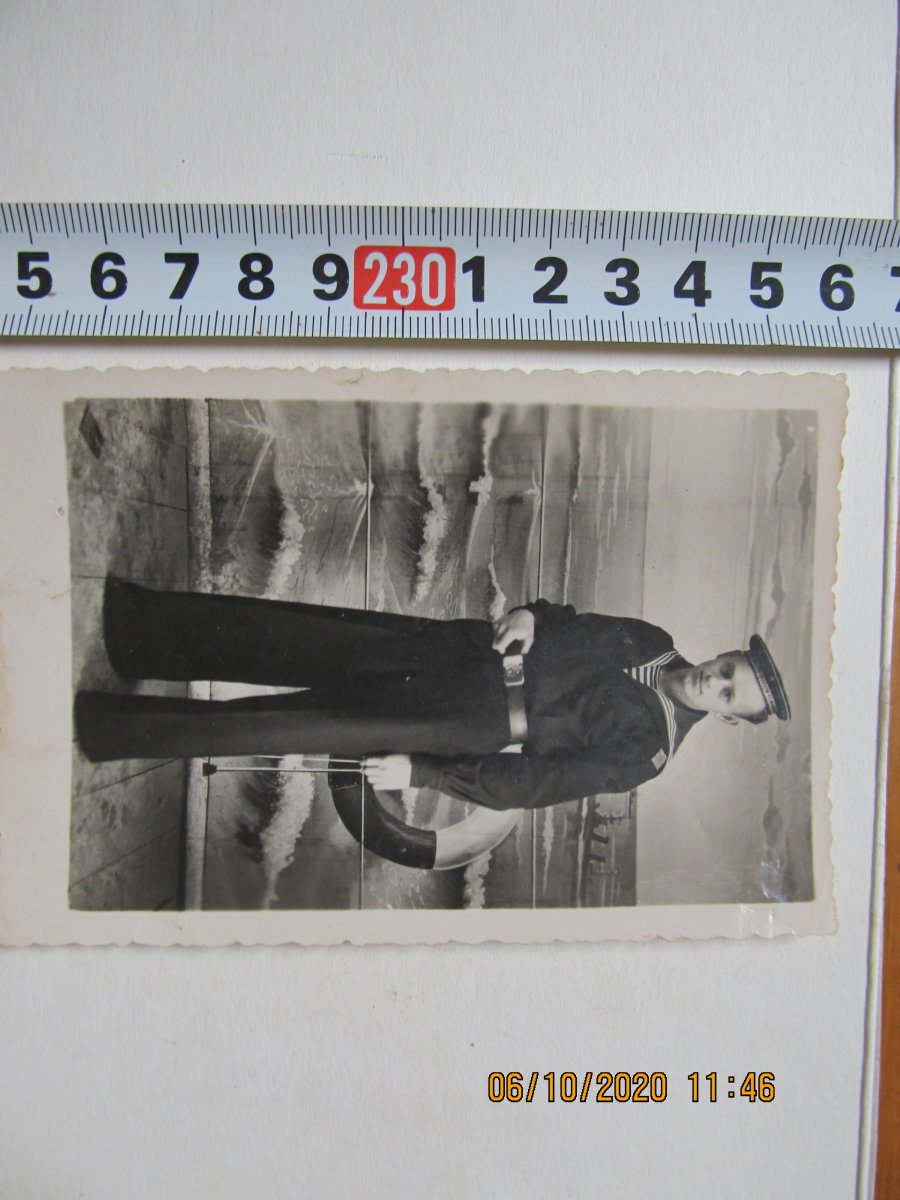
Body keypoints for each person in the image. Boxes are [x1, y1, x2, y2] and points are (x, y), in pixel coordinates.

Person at [74, 577, 791, 811]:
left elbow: (532, 785)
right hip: (461, 648)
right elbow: (565, 619)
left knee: (286, 723)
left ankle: (111, 726)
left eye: (731, 696)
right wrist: (530, 615)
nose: (718, 684)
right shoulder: (652, 637)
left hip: (467, 718)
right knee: (297, 634)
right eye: (731, 670)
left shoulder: (648, 752)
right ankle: (136, 631)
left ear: (729, 719)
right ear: (727, 653)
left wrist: (424, 772)